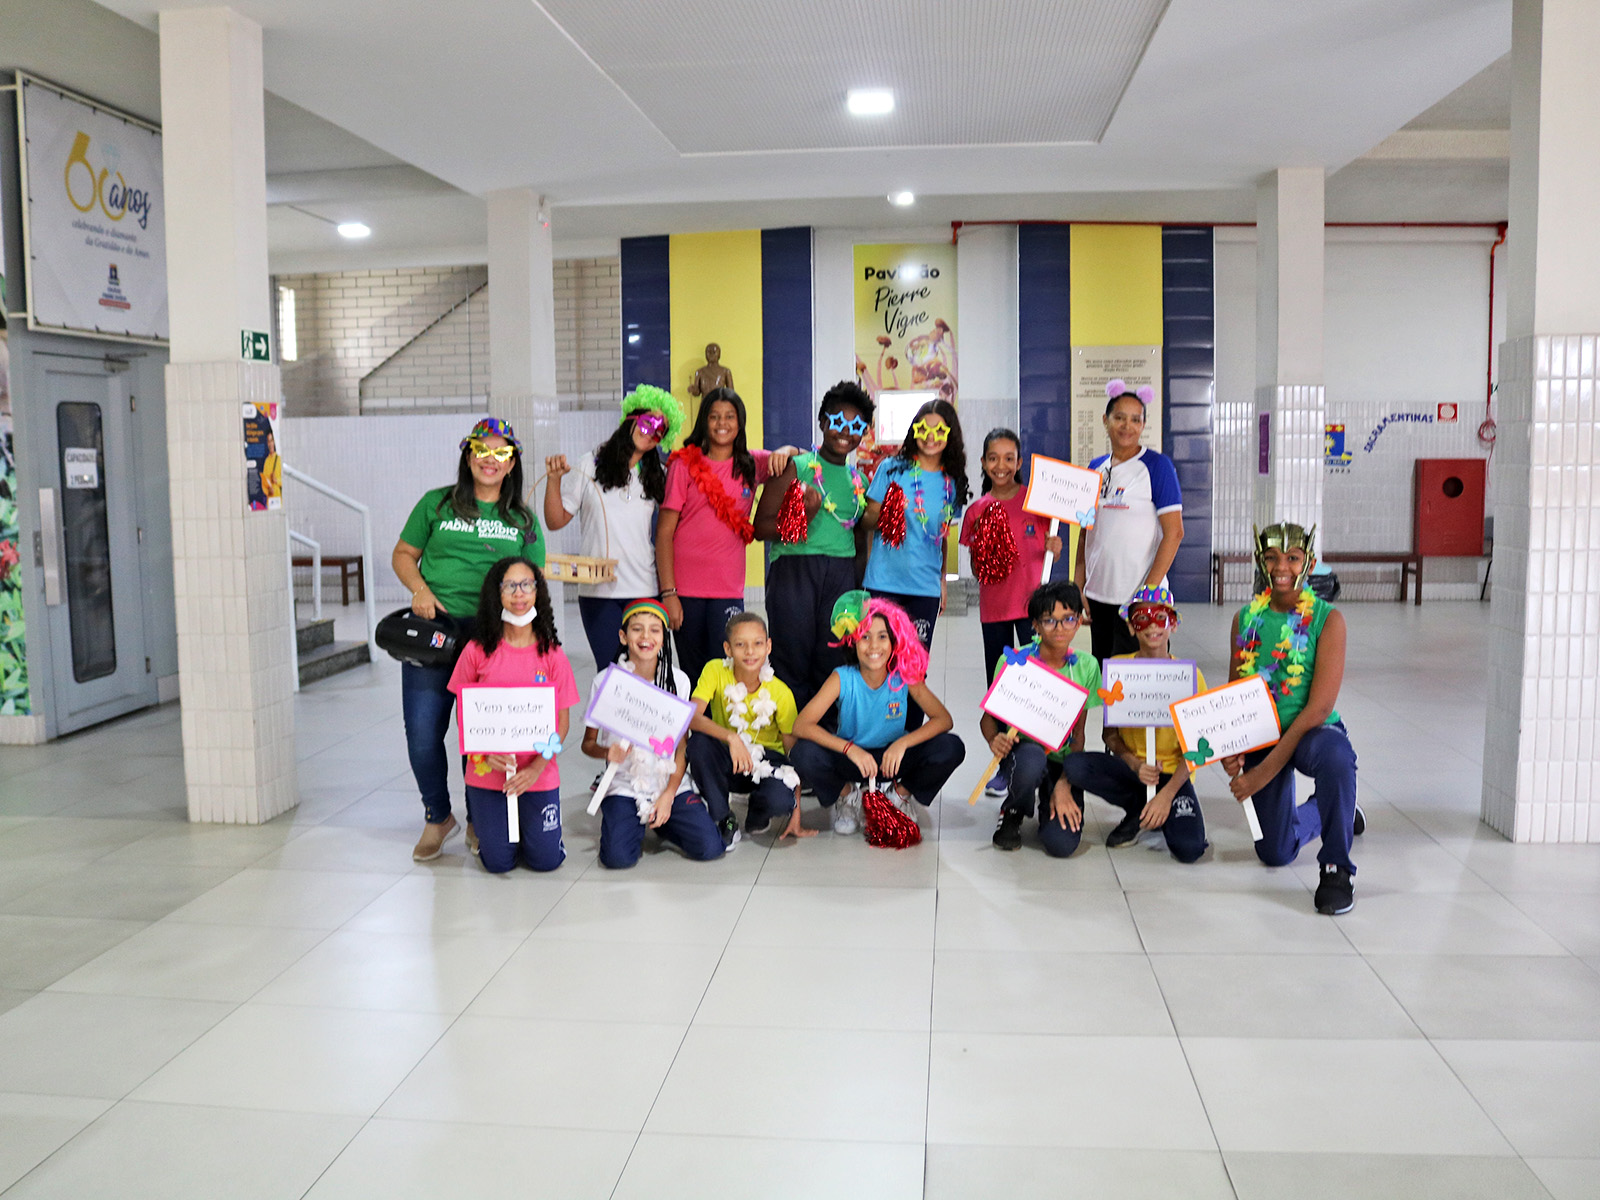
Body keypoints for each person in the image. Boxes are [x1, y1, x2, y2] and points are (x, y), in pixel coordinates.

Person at [393, 418, 545, 863]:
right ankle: (437, 816)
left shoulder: (522, 520)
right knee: (423, 734)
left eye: (501, 453)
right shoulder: (436, 504)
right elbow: (403, 554)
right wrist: (420, 590)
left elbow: (534, 581)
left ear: (512, 463)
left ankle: (479, 817)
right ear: (468, 454)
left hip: (491, 636)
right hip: (434, 631)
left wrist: (530, 640)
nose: (489, 460)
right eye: (482, 450)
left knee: (480, 734)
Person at [1223, 523, 1364, 915]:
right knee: (1275, 852)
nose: (1281, 567)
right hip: (1263, 733)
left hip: (1312, 731)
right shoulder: (1245, 619)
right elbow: (1234, 696)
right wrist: (1231, 749)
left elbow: (1317, 708)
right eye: (1271, 558)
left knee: (1337, 758)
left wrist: (1262, 773)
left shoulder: (1328, 620)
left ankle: (1337, 868)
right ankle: (1337, 808)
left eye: (1292, 558)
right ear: (1260, 562)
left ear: (1310, 564)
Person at [790, 592, 966, 835]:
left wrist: (903, 743)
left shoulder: (903, 676)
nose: (874, 646)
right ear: (853, 641)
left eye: (882, 637)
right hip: (853, 758)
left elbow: (944, 720)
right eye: (865, 637)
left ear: (894, 641)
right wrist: (849, 749)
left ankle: (898, 795)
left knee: (951, 747)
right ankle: (848, 796)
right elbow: (801, 725)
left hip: (891, 760)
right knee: (802, 752)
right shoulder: (842, 677)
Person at [446, 558, 578, 873]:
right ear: (497, 593)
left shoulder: (552, 655)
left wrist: (536, 769)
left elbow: (562, 723)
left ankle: (533, 835)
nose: (519, 593)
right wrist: (483, 752)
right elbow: (465, 713)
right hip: (488, 772)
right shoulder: (476, 651)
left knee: (546, 861)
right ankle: (498, 834)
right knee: (497, 863)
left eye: (527, 585)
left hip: (537, 773)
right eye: (510, 586)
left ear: (537, 592)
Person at [657, 388, 795, 684]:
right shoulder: (683, 465)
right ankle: (696, 718)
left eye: (730, 417)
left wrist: (785, 450)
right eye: (714, 416)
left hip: (727, 589)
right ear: (704, 421)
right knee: (693, 675)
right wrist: (669, 593)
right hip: (685, 590)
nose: (722, 423)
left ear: (740, 422)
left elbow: (799, 456)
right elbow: (665, 532)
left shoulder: (752, 464)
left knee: (727, 673)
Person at [753, 381, 874, 709]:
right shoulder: (795, 467)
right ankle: (788, 730)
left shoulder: (859, 482)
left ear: (863, 433)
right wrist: (803, 516)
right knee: (791, 656)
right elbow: (760, 527)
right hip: (795, 570)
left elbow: (860, 540)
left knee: (833, 657)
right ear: (822, 422)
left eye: (856, 426)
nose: (845, 431)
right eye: (838, 421)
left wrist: (859, 590)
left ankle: (825, 731)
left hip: (841, 575)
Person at [1063, 587, 1207, 862]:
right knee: (1076, 766)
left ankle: (1156, 808)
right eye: (1142, 619)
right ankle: (1140, 807)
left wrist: (1167, 795)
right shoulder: (1119, 670)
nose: (1152, 626)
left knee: (1190, 848)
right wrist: (1135, 763)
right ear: (1130, 627)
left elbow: (1199, 749)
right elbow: (1110, 735)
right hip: (1132, 772)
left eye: (1161, 618)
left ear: (1173, 624)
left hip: (1172, 775)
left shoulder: (1190, 676)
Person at [544, 385, 682, 670]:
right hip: (599, 593)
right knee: (610, 672)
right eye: (649, 423)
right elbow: (555, 521)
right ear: (631, 419)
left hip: (644, 587)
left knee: (644, 671)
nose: (652, 433)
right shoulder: (589, 465)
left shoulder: (658, 474)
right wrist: (554, 480)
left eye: (661, 431)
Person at [582, 599, 724, 869]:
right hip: (624, 785)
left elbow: (682, 747)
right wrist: (606, 752)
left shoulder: (678, 681)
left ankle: (664, 822)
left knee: (710, 847)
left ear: (663, 638)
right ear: (623, 636)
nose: (645, 637)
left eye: (654, 630)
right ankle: (627, 820)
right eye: (637, 629)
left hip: (667, 781)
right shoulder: (605, 682)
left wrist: (669, 794)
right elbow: (588, 744)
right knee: (617, 859)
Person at [959, 427, 1062, 796]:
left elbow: (1050, 553)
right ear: (984, 463)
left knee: (1039, 686)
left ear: (1019, 462)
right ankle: (1006, 765)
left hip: (1034, 613)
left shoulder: (1038, 503)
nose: (1000, 465)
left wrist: (1055, 547)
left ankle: (1042, 761)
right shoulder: (977, 510)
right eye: (993, 458)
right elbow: (976, 567)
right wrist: (987, 553)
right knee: (1002, 690)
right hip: (995, 612)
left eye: (1008, 458)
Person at [984, 581, 1102, 857]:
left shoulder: (1087, 666)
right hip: (1024, 754)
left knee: (1061, 845)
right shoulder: (1015, 661)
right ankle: (1013, 809)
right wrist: (994, 739)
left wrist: (1065, 782)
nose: (1059, 628)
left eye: (1068, 619)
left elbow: (1079, 735)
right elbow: (987, 720)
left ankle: (1050, 795)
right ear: (1035, 625)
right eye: (1049, 620)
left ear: (1079, 621)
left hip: (1063, 760)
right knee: (1031, 759)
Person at [1074, 380, 1184, 662]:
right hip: (1099, 595)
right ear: (1106, 420)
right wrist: (1079, 584)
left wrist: (1148, 593)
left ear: (1143, 424)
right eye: (1120, 418)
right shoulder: (1095, 467)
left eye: (1136, 419)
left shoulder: (1157, 467)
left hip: (1139, 599)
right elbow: (1086, 532)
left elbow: (1174, 533)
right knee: (1106, 676)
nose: (1127, 426)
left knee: (1142, 677)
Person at [687, 611, 807, 848]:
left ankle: (758, 812)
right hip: (729, 755)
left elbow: (792, 755)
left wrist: (796, 812)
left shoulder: (781, 692)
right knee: (698, 744)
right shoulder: (715, 670)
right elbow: (691, 716)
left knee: (780, 798)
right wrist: (731, 738)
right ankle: (723, 817)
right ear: (728, 649)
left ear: (768, 646)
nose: (750, 651)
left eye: (758, 644)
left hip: (767, 760)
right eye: (741, 644)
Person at [861, 397, 969, 651]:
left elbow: (941, 537)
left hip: (925, 588)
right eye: (924, 429)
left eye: (939, 430)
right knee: (880, 659)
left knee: (914, 661)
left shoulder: (952, 482)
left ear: (950, 435)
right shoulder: (891, 469)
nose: (930, 437)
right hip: (883, 583)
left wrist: (942, 580)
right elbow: (866, 521)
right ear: (914, 431)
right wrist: (889, 509)